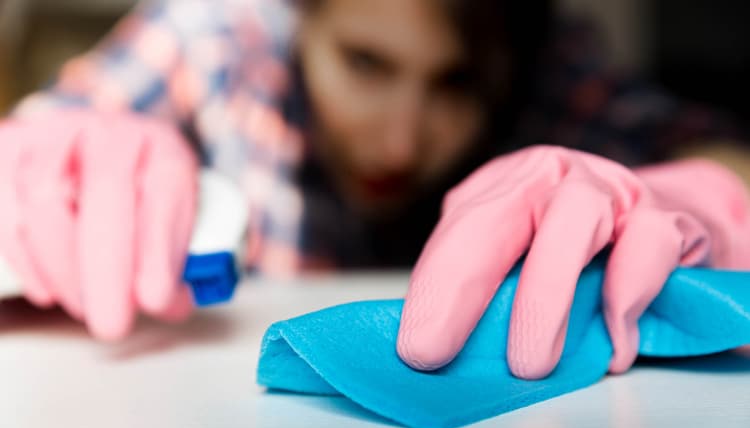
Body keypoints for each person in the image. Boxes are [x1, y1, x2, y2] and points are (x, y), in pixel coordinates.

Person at [1, 0, 749, 379]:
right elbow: (37, 147)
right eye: (365, 63)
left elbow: (717, 152)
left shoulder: (551, 61)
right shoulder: (217, 33)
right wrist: (35, 162)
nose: (401, 141)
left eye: (455, 83)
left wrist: (707, 190)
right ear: (303, 18)